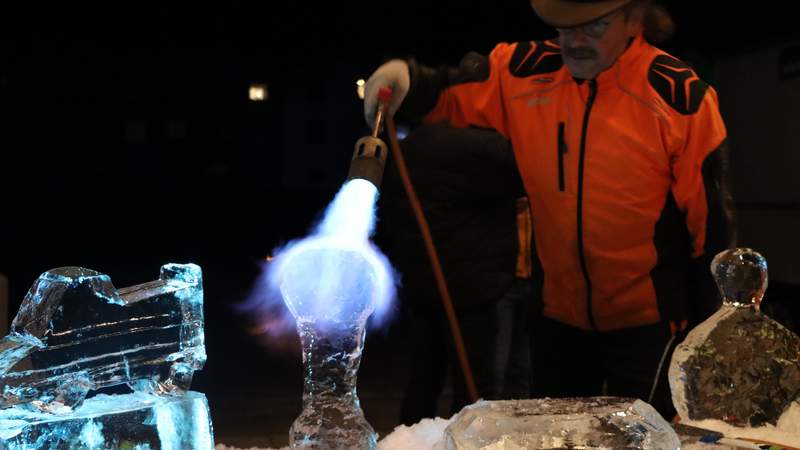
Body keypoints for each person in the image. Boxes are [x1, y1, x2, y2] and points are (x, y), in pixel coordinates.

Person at [364, 0, 734, 419]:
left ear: (634, 19)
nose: (574, 42)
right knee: (555, 435)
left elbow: (712, 229)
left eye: (593, 26)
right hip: (557, 321)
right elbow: (448, 91)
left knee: (641, 440)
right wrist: (407, 78)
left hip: (650, 326)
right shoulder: (525, 72)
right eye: (562, 27)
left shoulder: (679, 97)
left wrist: (709, 330)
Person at [376, 122, 537, 424]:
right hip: (473, 288)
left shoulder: (412, 149)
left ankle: (415, 441)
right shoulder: (471, 146)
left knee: (429, 378)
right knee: (477, 387)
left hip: (443, 282)